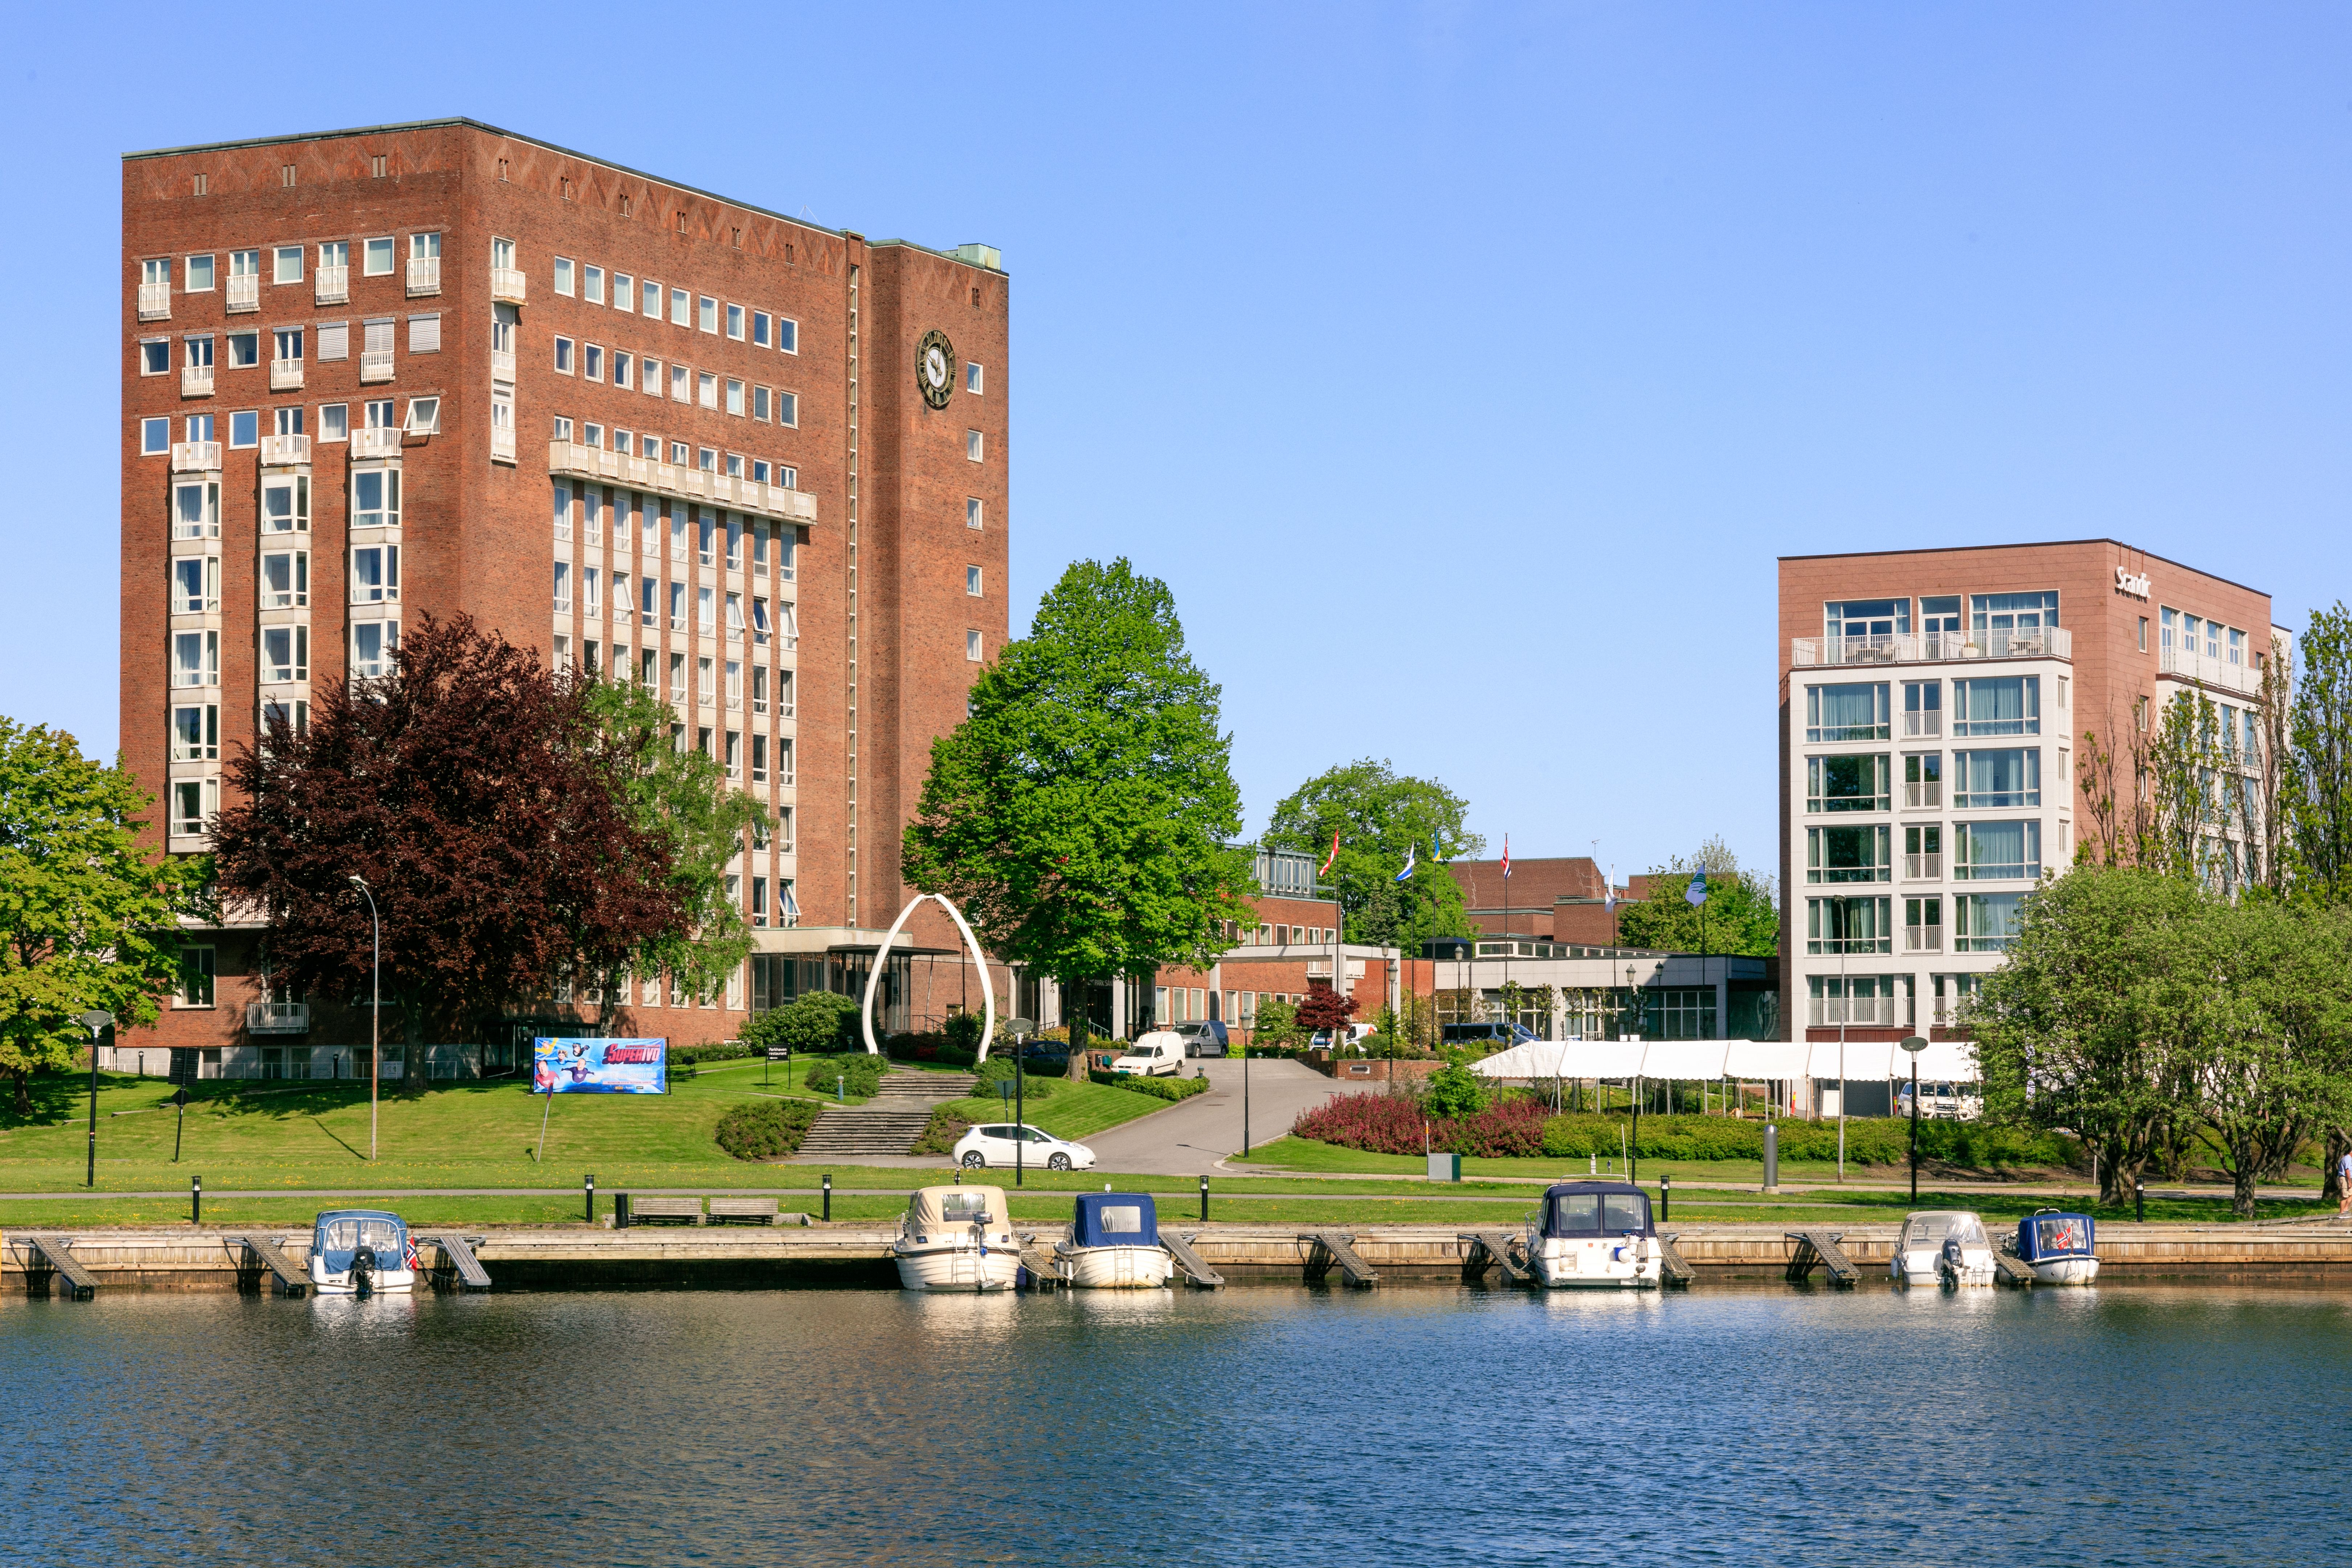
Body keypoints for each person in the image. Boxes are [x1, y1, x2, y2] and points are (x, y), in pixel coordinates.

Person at [2338, 1146, 2352, 1218]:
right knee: (2345, 1196)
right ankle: (2341, 1214)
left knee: (2351, 1194)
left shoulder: (2349, 1159)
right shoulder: (2347, 1159)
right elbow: (2347, 1171)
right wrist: (2350, 1182)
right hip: (2345, 1178)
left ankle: (2346, 1209)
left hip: (2348, 1179)